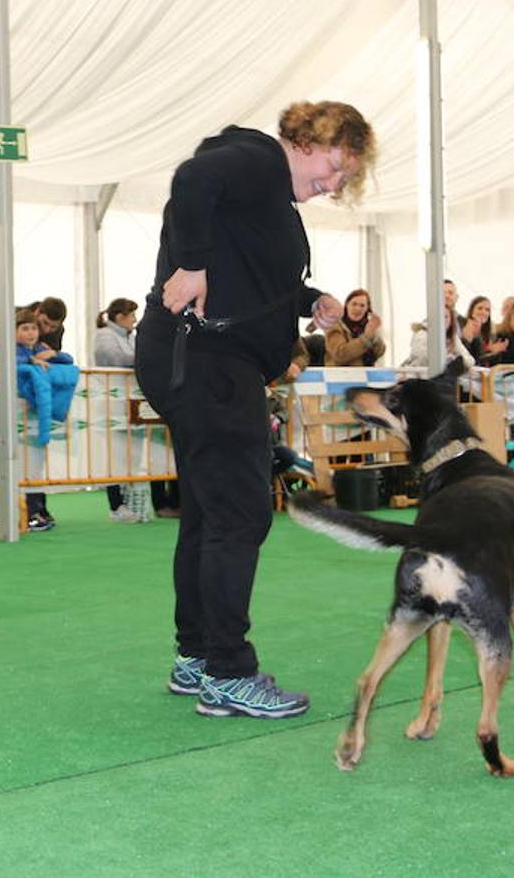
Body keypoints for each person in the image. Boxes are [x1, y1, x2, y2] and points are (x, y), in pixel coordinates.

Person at [135, 100, 375, 719]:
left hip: (199, 360)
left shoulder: (265, 192)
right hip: (208, 360)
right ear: (307, 138)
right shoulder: (254, 161)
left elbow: (249, 275)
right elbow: (192, 182)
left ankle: (197, 658)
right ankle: (227, 672)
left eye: (345, 177)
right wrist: (188, 265)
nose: (335, 183)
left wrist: (312, 299)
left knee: (211, 515)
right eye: (335, 165)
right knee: (240, 515)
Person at [14, 308, 77, 529]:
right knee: (18, 464)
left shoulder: (42, 347)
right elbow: (18, 365)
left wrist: (52, 354)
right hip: (16, 415)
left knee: (35, 465)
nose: (30, 333)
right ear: (14, 332)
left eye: (33, 328)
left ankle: (37, 509)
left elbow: (68, 359)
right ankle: (16, 512)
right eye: (24, 328)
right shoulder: (14, 352)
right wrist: (31, 361)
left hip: (37, 414)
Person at [93, 297, 149, 523]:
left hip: (131, 401)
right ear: (120, 317)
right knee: (115, 455)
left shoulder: (131, 337)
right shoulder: (104, 335)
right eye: (132, 315)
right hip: (112, 402)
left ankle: (129, 503)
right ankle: (116, 505)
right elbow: (116, 358)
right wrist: (147, 358)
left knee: (132, 455)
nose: (135, 320)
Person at [402, 301, 475, 368]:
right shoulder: (422, 333)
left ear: (451, 320)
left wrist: (454, 360)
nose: (442, 320)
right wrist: (451, 359)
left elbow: (470, 360)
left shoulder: (452, 338)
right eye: (439, 316)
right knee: (391, 376)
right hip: (413, 375)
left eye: (446, 317)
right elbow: (424, 358)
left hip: (439, 378)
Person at [323, 289, 385, 366]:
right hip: (340, 375)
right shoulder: (333, 325)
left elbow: (379, 352)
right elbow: (340, 354)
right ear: (346, 305)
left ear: (367, 309)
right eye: (354, 304)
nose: (357, 309)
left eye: (362, 305)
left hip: (365, 374)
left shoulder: (368, 326)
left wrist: (374, 337)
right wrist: (366, 338)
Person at [461, 294, 508, 364]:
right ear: (471, 311)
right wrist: (491, 352)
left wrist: (493, 352)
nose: (483, 312)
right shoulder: (464, 328)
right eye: (480, 308)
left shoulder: (489, 333)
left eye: (487, 310)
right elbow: (471, 359)